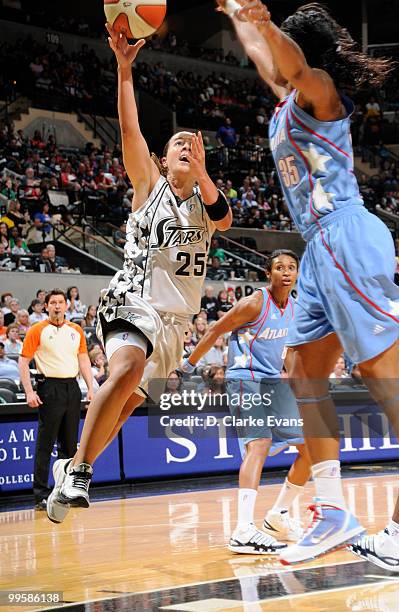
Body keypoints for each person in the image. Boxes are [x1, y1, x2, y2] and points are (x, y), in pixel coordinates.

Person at [221, 0, 399, 566]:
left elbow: (292, 66)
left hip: (345, 234)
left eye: (280, 45)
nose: (272, 61)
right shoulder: (286, 101)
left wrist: (267, 24)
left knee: (382, 376)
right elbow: (263, 57)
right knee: (302, 371)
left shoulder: (321, 93)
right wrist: (236, 13)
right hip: (318, 250)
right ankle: (331, 510)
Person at [45, 23, 232, 524]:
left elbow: (225, 218)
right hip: (133, 298)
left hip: (174, 324)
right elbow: (130, 132)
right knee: (125, 368)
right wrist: (126, 70)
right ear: (163, 157)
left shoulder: (208, 203)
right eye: (176, 145)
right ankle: (80, 472)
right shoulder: (149, 183)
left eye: (192, 146)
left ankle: (73, 467)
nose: (184, 149)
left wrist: (206, 173)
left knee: (126, 404)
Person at [182, 250, 311, 553]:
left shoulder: (295, 309)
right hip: (244, 377)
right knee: (260, 444)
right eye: (279, 267)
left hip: (272, 381)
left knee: (311, 449)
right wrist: (189, 364)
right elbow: (215, 329)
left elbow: (290, 352)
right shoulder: (254, 302)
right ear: (269, 273)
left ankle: (277, 516)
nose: (286, 272)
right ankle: (242, 530)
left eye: (291, 267)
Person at [18, 289, 94, 510]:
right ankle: (40, 494)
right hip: (49, 388)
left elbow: (84, 360)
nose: (57, 306)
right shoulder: (37, 330)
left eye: (61, 302)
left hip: (72, 387)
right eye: (53, 303)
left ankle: (66, 492)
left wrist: (91, 388)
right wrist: (29, 392)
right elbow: (23, 362)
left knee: (70, 445)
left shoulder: (76, 330)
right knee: (45, 443)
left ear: (66, 306)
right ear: (46, 306)